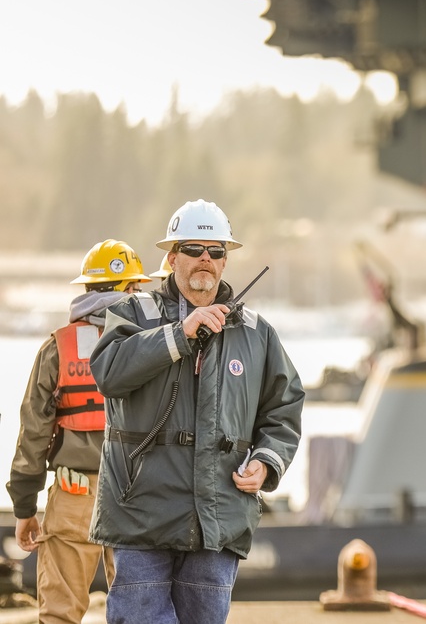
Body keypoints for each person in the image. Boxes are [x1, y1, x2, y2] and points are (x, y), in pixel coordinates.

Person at [88, 199, 305, 624]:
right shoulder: (132, 313)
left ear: (225, 262)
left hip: (218, 521)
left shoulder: (257, 333)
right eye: (192, 249)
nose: (205, 259)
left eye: (216, 251)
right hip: (140, 517)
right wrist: (177, 335)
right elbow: (108, 372)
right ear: (171, 258)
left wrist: (266, 461)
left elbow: (284, 407)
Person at [7, 239, 151, 623]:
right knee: (141, 612)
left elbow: (34, 431)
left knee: (59, 615)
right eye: (136, 287)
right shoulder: (152, 344)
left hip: (74, 497)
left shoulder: (59, 347)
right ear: (129, 289)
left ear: (88, 288)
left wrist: (25, 506)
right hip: (138, 497)